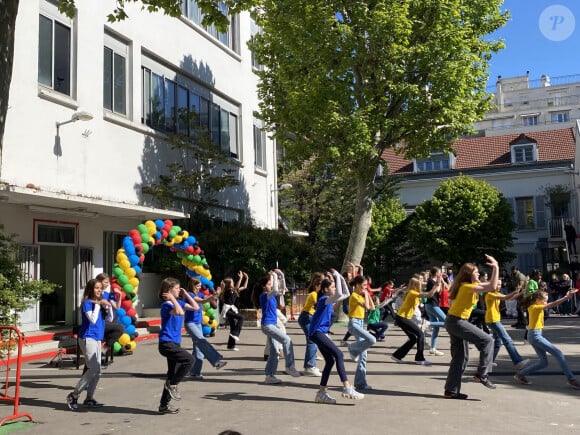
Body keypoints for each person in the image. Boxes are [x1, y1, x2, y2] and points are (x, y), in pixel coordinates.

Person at [443, 254, 499, 400]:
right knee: (487, 340)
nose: (479, 274)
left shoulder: (466, 286)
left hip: (453, 321)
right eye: (476, 272)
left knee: (460, 358)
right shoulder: (468, 286)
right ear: (469, 275)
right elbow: (492, 286)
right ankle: (482, 375)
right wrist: (496, 267)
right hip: (457, 322)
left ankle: (451, 391)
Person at [309, 270, 364, 404]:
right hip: (317, 333)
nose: (334, 289)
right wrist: (338, 277)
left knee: (330, 361)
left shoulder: (328, 299)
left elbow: (345, 293)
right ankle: (346, 387)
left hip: (319, 333)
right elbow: (340, 293)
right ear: (326, 289)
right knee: (339, 354)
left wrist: (339, 278)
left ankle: (321, 393)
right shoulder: (323, 299)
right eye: (332, 287)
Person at [514, 288, 580, 389]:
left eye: (546, 300)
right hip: (535, 335)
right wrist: (566, 297)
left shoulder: (536, 306)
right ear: (537, 300)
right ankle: (571, 379)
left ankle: (520, 374)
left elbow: (549, 305)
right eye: (544, 300)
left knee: (543, 363)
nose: (546, 302)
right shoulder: (534, 307)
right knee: (558, 353)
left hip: (535, 335)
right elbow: (552, 305)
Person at [66, 279, 113, 410]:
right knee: (92, 368)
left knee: (97, 371)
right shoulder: (87, 303)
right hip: (87, 338)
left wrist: (107, 306)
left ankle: (89, 398)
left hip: (97, 339)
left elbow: (109, 319)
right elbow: (92, 320)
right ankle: (74, 395)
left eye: (100, 288)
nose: (99, 290)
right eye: (96, 288)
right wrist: (98, 305)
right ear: (90, 290)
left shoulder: (100, 303)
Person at [254, 270, 301, 384]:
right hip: (268, 325)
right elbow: (275, 289)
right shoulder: (264, 295)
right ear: (263, 287)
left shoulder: (271, 295)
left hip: (272, 325)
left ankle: (269, 376)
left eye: (271, 283)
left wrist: (282, 276)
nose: (271, 285)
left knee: (274, 352)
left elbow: (281, 288)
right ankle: (290, 366)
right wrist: (274, 276)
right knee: (287, 340)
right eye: (269, 284)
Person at [157, 277, 196, 414]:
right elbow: (179, 312)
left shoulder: (178, 302)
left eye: (179, 288)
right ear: (168, 291)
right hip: (166, 343)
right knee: (189, 360)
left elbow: (195, 307)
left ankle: (163, 406)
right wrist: (172, 299)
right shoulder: (166, 305)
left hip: (175, 342)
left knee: (172, 372)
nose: (179, 291)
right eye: (176, 289)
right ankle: (172, 384)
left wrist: (186, 296)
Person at [391, 274, 442, 365]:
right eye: (419, 285)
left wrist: (436, 283)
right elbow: (429, 295)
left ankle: (397, 355)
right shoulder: (412, 293)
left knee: (413, 339)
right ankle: (419, 358)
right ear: (415, 285)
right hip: (402, 318)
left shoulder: (411, 292)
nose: (421, 286)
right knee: (420, 335)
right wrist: (436, 285)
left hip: (402, 318)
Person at [183, 277, 227, 380]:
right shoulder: (189, 295)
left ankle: (195, 372)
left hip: (198, 323)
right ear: (192, 285)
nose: (199, 287)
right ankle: (216, 361)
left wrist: (219, 292)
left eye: (199, 286)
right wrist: (213, 295)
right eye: (197, 285)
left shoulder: (200, 294)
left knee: (198, 347)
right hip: (190, 323)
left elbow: (209, 299)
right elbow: (203, 301)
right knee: (201, 341)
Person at [484, 279, 530, 370]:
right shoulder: (490, 294)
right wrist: (515, 291)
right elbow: (505, 298)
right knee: (507, 340)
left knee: (498, 341)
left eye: (500, 284)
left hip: (495, 319)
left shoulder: (496, 293)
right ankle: (517, 361)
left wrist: (520, 292)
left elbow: (509, 298)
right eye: (497, 284)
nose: (499, 286)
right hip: (493, 320)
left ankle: (489, 361)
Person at [346, 275, 376, 390]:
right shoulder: (354, 296)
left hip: (361, 323)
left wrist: (366, 294)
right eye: (364, 285)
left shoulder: (361, 295)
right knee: (372, 339)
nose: (365, 287)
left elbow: (372, 308)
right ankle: (352, 348)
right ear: (357, 285)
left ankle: (360, 383)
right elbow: (367, 307)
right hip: (354, 324)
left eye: (366, 285)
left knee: (363, 355)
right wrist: (368, 294)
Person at [297, 273, 324, 376]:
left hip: (309, 317)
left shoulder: (316, 294)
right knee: (312, 340)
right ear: (316, 286)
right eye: (322, 287)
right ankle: (309, 367)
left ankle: (310, 365)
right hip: (306, 317)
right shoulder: (313, 294)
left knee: (313, 340)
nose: (323, 290)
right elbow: (319, 305)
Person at [95, 273, 124, 365]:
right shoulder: (94, 293)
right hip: (97, 321)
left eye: (108, 283)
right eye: (105, 282)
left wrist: (119, 296)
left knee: (119, 329)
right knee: (119, 328)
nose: (107, 284)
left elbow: (117, 307)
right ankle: (100, 351)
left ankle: (103, 349)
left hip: (106, 321)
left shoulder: (108, 294)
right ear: (99, 282)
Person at [220, 271, 248, 351]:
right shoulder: (228, 291)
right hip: (228, 310)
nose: (233, 282)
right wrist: (241, 278)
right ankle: (235, 333)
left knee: (233, 327)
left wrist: (246, 278)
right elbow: (236, 287)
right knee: (241, 317)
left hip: (231, 309)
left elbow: (244, 286)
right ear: (229, 284)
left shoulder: (233, 291)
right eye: (232, 281)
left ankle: (230, 346)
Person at [424, 267, 448, 356]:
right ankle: (427, 324)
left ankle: (433, 348)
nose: (441, 273)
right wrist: (439, 280)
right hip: (432, 305)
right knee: (447, 322)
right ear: (436, 273)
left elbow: (440, 290)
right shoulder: (430, 281)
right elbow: (434, 292)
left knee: (436, 327)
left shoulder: (435, 281)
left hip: (433, 305)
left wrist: (441, 280)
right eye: (440, 272)